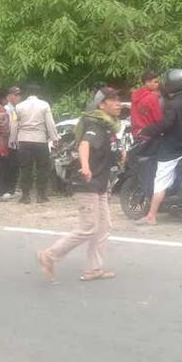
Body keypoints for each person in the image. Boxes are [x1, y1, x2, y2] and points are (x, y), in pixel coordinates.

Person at [37, 88, 122, 282]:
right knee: (88, 227)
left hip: (99, 183)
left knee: (103, 226)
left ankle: (94, 269)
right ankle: (49, 256)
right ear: (102, 105)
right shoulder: (95, 125)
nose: (118, 103)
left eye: (119, 99)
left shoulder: (106, 126)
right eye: (113, 100)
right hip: (87, 183)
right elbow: (85, 145)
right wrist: (85, 166)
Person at [136, 69, 182, 225]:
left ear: (171, 85)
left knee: (160, 181)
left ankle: (151, 216)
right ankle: (175, 209)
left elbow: (165, 125)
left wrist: (145, 131)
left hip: (172, 150)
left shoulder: (172, 105)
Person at [10, 84, 59, 204]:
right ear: (38, 93)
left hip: (24, 140)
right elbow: (50, 123)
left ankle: (25, 196)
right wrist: (54, 137)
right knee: (42, 168)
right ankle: (41, 195)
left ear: (26, 93)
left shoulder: (19, 106)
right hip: (40, 140)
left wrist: (12, 139)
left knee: (25, 168)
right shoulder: (44, 105)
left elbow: (15, 124)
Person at [131, 70, 163, 139]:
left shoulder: (135, 96)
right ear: (147, 82)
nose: (157, 84)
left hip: (136, 134)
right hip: (149, 135)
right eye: (155, 82)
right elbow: (158, 119)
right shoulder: (152, 97)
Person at [4, 86, 22, 197]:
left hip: (16, 141)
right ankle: (8, 189)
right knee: (10, 166)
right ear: (9, 96)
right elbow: (10, 125)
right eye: (16, 95)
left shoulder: (17, 109)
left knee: (15, 166)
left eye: (19, 95)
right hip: (9, 142)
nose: (18, 97)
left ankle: (12, 188)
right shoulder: (7, 109)